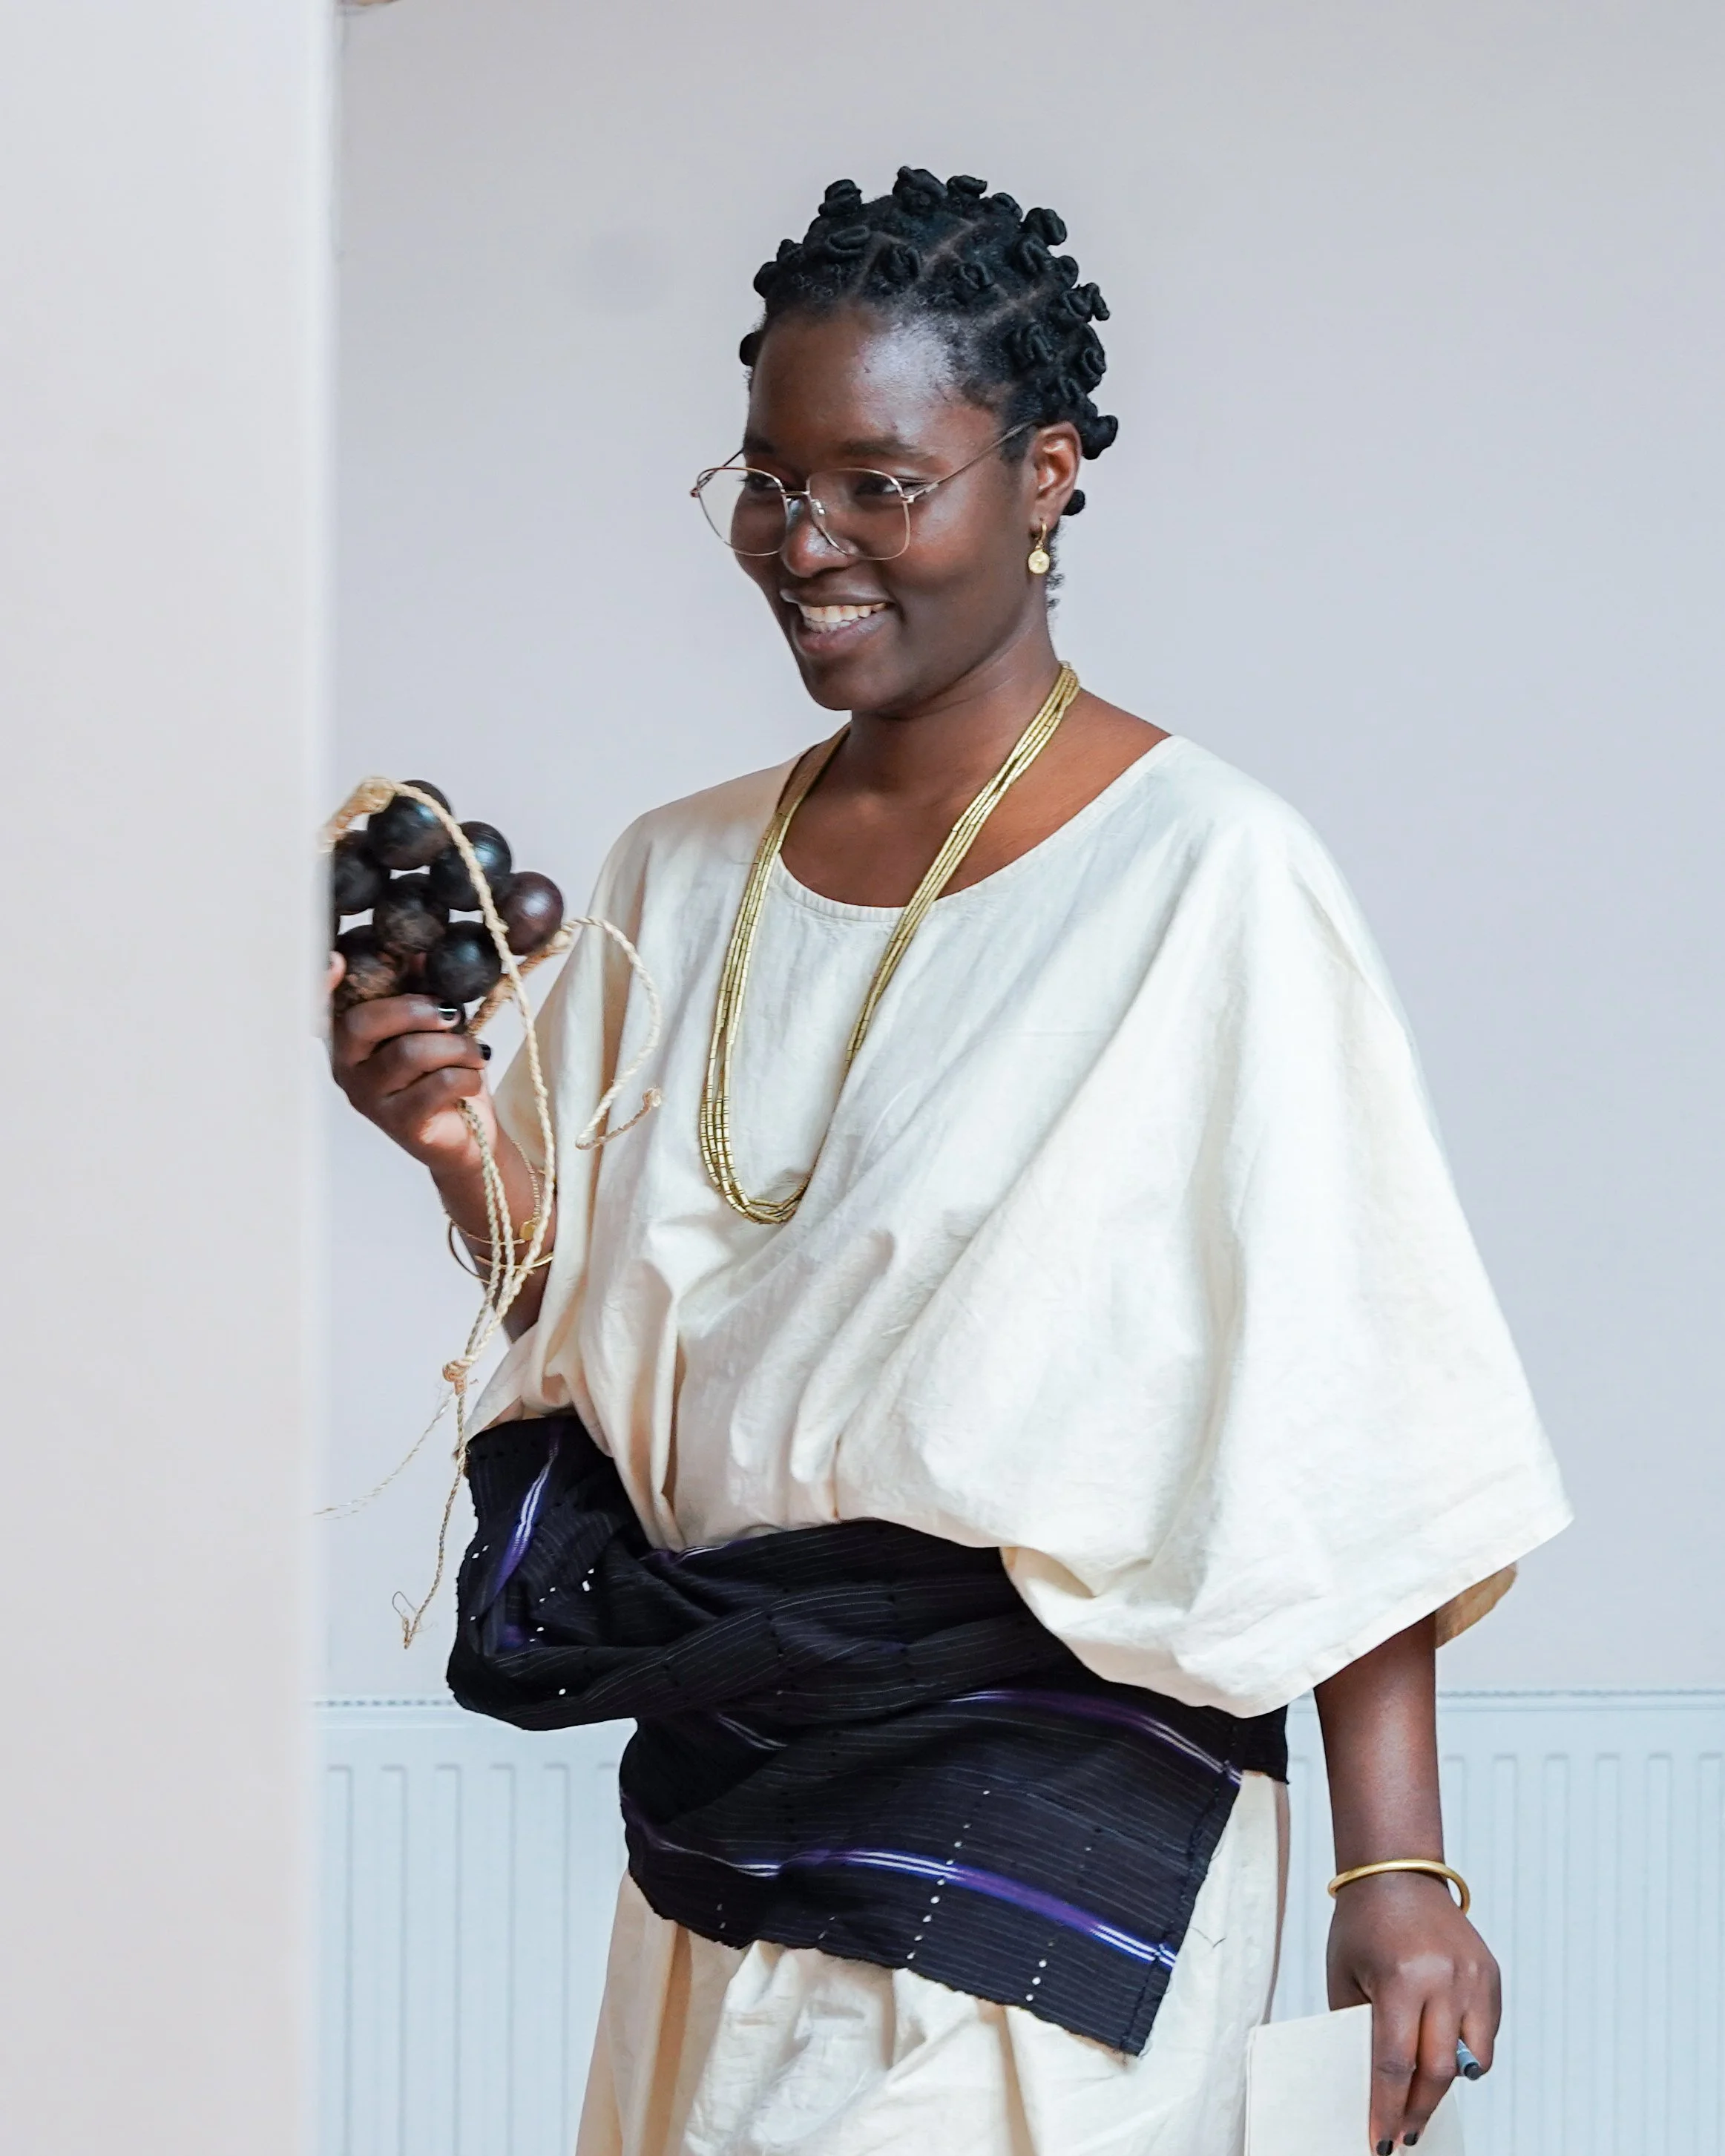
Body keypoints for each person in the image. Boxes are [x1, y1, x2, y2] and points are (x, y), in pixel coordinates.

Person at [330, 168, 1570, 2156]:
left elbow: (1350, 1396)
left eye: (876, 485)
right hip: (729, 1793)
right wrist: (458, 1146)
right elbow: (599, 1319)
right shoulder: (678, 866)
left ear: (1045, 474)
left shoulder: (1207, 880)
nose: (800, 543)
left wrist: (1391, 1874)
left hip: (1053, 1799)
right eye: (763, 481)